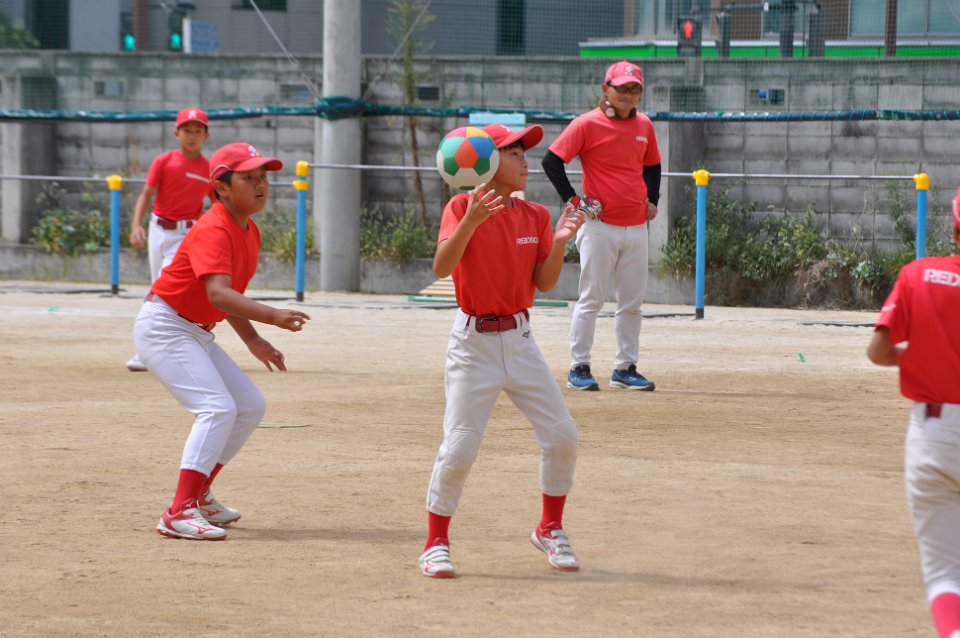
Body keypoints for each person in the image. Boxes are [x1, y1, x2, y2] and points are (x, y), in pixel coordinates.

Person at [419, 123, 585, 578]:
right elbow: (442, 267)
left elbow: (544, 283)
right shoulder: (461, 206)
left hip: (521, 340)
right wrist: (471, 221)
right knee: (460, 446)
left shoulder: (535, 215)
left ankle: (549, 528)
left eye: (523, 152)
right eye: (513, 152)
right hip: (473, 344)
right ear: (486, 160)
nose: (524, 160)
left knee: (562, 436)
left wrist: (560, 242)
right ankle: (435, 543)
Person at [133, 142, 311, 541]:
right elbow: (218, 294)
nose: (261, 184)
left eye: (263, 177)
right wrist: (272, 316)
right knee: (216, 407)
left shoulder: (248, 229)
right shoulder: (214, 227)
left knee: (249, 406)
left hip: (194, 330)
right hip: (165, 327)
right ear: (222, 187)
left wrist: (253, 339)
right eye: (249, 178)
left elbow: (226, 296)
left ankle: (199, 494)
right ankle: (178, 511)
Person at [867, 188, 960, 637]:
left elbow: (879, 350)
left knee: (945, 576)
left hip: (934, 436)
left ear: (955, 229)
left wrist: (921, 357)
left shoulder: (918, 275)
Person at [542, 60, 662, 392]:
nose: (627, 93)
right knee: (591, 298)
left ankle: (625, 368)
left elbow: (653, 165)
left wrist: (653, 199)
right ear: (605, 89)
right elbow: (552, 161)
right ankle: (579, 366)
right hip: (599, 226)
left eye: (634, 88)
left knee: (632, 303)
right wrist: (573, 200)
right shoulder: (586, 124)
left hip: (636, 227)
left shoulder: (645, 125)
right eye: (621, 87)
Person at [126, 107, 213, 371]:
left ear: (206, 136)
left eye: (198, 131)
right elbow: (146, 194)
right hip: (158, 229)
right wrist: (136, 226)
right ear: (177, 134)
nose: (192, 136)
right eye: (187, 130)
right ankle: (155, 347)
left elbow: (217, 204)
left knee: (164, 288)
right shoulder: (163, 161)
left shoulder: (208, 168)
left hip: (186, 235)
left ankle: (150, 352)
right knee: (157, 288)